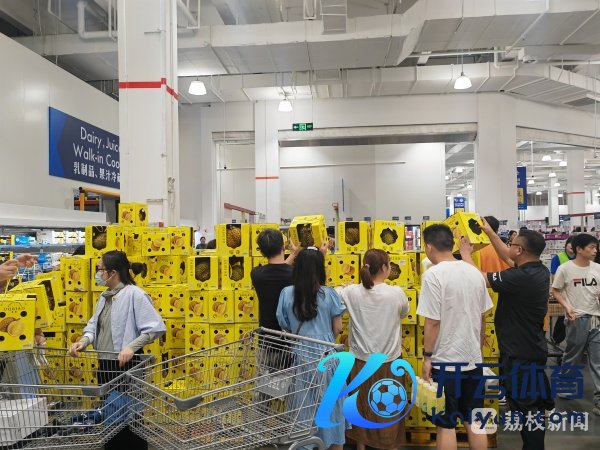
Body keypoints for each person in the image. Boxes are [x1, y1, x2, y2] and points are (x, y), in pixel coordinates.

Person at [461, 223, 552, 450]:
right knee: (526, 404)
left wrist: (465, 255)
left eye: (511, 243)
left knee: (528, 407)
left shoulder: (520, 277)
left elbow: (479, 278)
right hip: (528, 349)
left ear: (520, 250)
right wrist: (490, 233)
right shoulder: (537, 270)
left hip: (521, 354)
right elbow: (507, 256)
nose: (508, 246)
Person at [69, 250, 166, 449]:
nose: (97, 274)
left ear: (113, 272)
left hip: (127, 364)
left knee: (128, 418)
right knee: (111, 415)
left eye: (100, 269)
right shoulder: (105, 297)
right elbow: (94, 325)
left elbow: (155, 328)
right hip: (106, 364)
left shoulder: (135, 294)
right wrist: (84, 341)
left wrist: (131, 347)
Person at [416, 224, 491, 450]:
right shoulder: (474, 272)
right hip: (473, 360)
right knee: (474, 420)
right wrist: (477, 350)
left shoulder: (433, 275)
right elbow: (483, 317)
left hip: (445, 362)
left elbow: (432, 321)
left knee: (446, 424)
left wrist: (427, 357)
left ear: (429, 247)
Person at [337, 249, 409, 450]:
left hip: (360, 361)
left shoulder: (351, 292)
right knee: (390, 406)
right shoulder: (396, 293)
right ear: (385, 268)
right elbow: (404, 313)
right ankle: (390, 445)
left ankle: (361, 446)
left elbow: (333, 296)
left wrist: (345, 287)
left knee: (361, 406)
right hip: (390, 362)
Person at [276, 248, 345, 450]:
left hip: (300, 357)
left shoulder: (286, 293)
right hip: (327, 356)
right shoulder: (329, 294)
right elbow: (338, 327)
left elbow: (285, 326)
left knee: (302, 409)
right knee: (332, 409)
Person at [551, 233, 600, 415]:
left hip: (596, 319)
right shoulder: (565, 269)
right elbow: (556, 290)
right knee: (572, 355)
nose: (595, 251)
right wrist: (567, 307)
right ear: (579, 249)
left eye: (596, 247)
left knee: (597, 360)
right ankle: (565, 387)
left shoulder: (598, 268)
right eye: (592, 247)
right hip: (576, 319)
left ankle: (599, 399)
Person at [250, 228, 299, 330]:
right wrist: (294, 254)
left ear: (262, 252)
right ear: (283, 247)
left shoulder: (256, 274)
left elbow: (278, 268)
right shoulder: (296, 274)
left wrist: (293, 254)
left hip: (267, 333)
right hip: (291, 332)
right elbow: (282, 268)